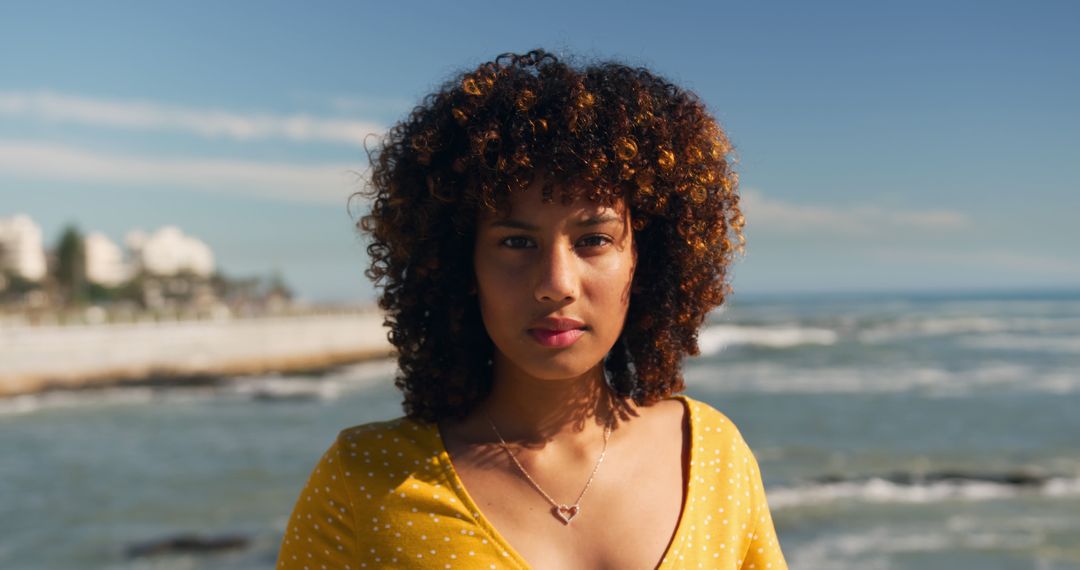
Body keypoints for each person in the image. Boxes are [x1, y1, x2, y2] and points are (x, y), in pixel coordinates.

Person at [276, 49, 787, 569]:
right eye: (517, 243)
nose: (555, 285)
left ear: (644, 258)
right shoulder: (364, 479)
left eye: (593, 239)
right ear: (460, 263)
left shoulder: (713, 456)